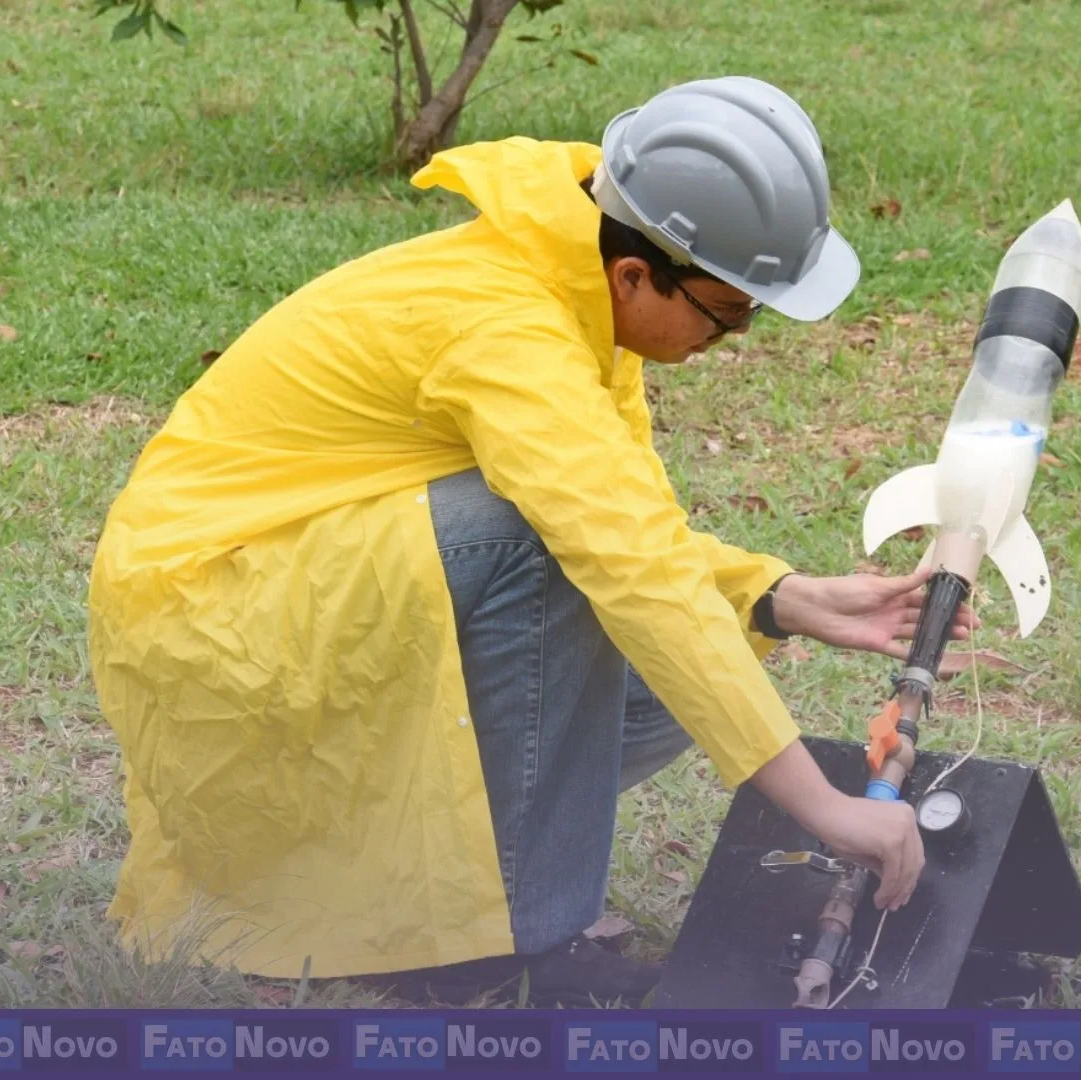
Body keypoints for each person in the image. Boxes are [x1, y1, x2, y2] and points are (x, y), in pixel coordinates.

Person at [87, 76, 971, 1006]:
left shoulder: (577, 292)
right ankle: (518, 957)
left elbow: (632, 528)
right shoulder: (511, 331)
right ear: (636, 274)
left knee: (691, 650)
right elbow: (618, 558)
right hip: (217, 621)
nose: (737, 336)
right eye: (730, 311)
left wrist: (776, 597)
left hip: (308, 593)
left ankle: (442, 892)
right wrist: (823, 808)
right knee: (555, 555)